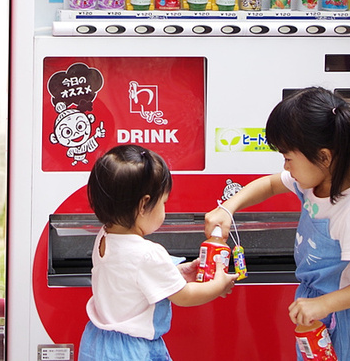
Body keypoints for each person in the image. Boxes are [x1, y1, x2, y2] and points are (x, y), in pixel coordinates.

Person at [205, 87, 350, 361]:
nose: (287, 167)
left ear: (324, 156)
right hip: (315, 310)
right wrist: (228, 207)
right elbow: (271, 184)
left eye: (288, 158)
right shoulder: (314, 183)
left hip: (348, 319)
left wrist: (325, 303)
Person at [80, 144, 236, 361]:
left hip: (100, 342)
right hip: (133, 349)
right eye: (164, 202)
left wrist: (177, 273)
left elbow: (129, 280)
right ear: (144, 205)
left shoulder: (104, 236)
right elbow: (185, 296)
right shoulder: (148, 254)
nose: (165, 209)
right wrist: (218, 285)